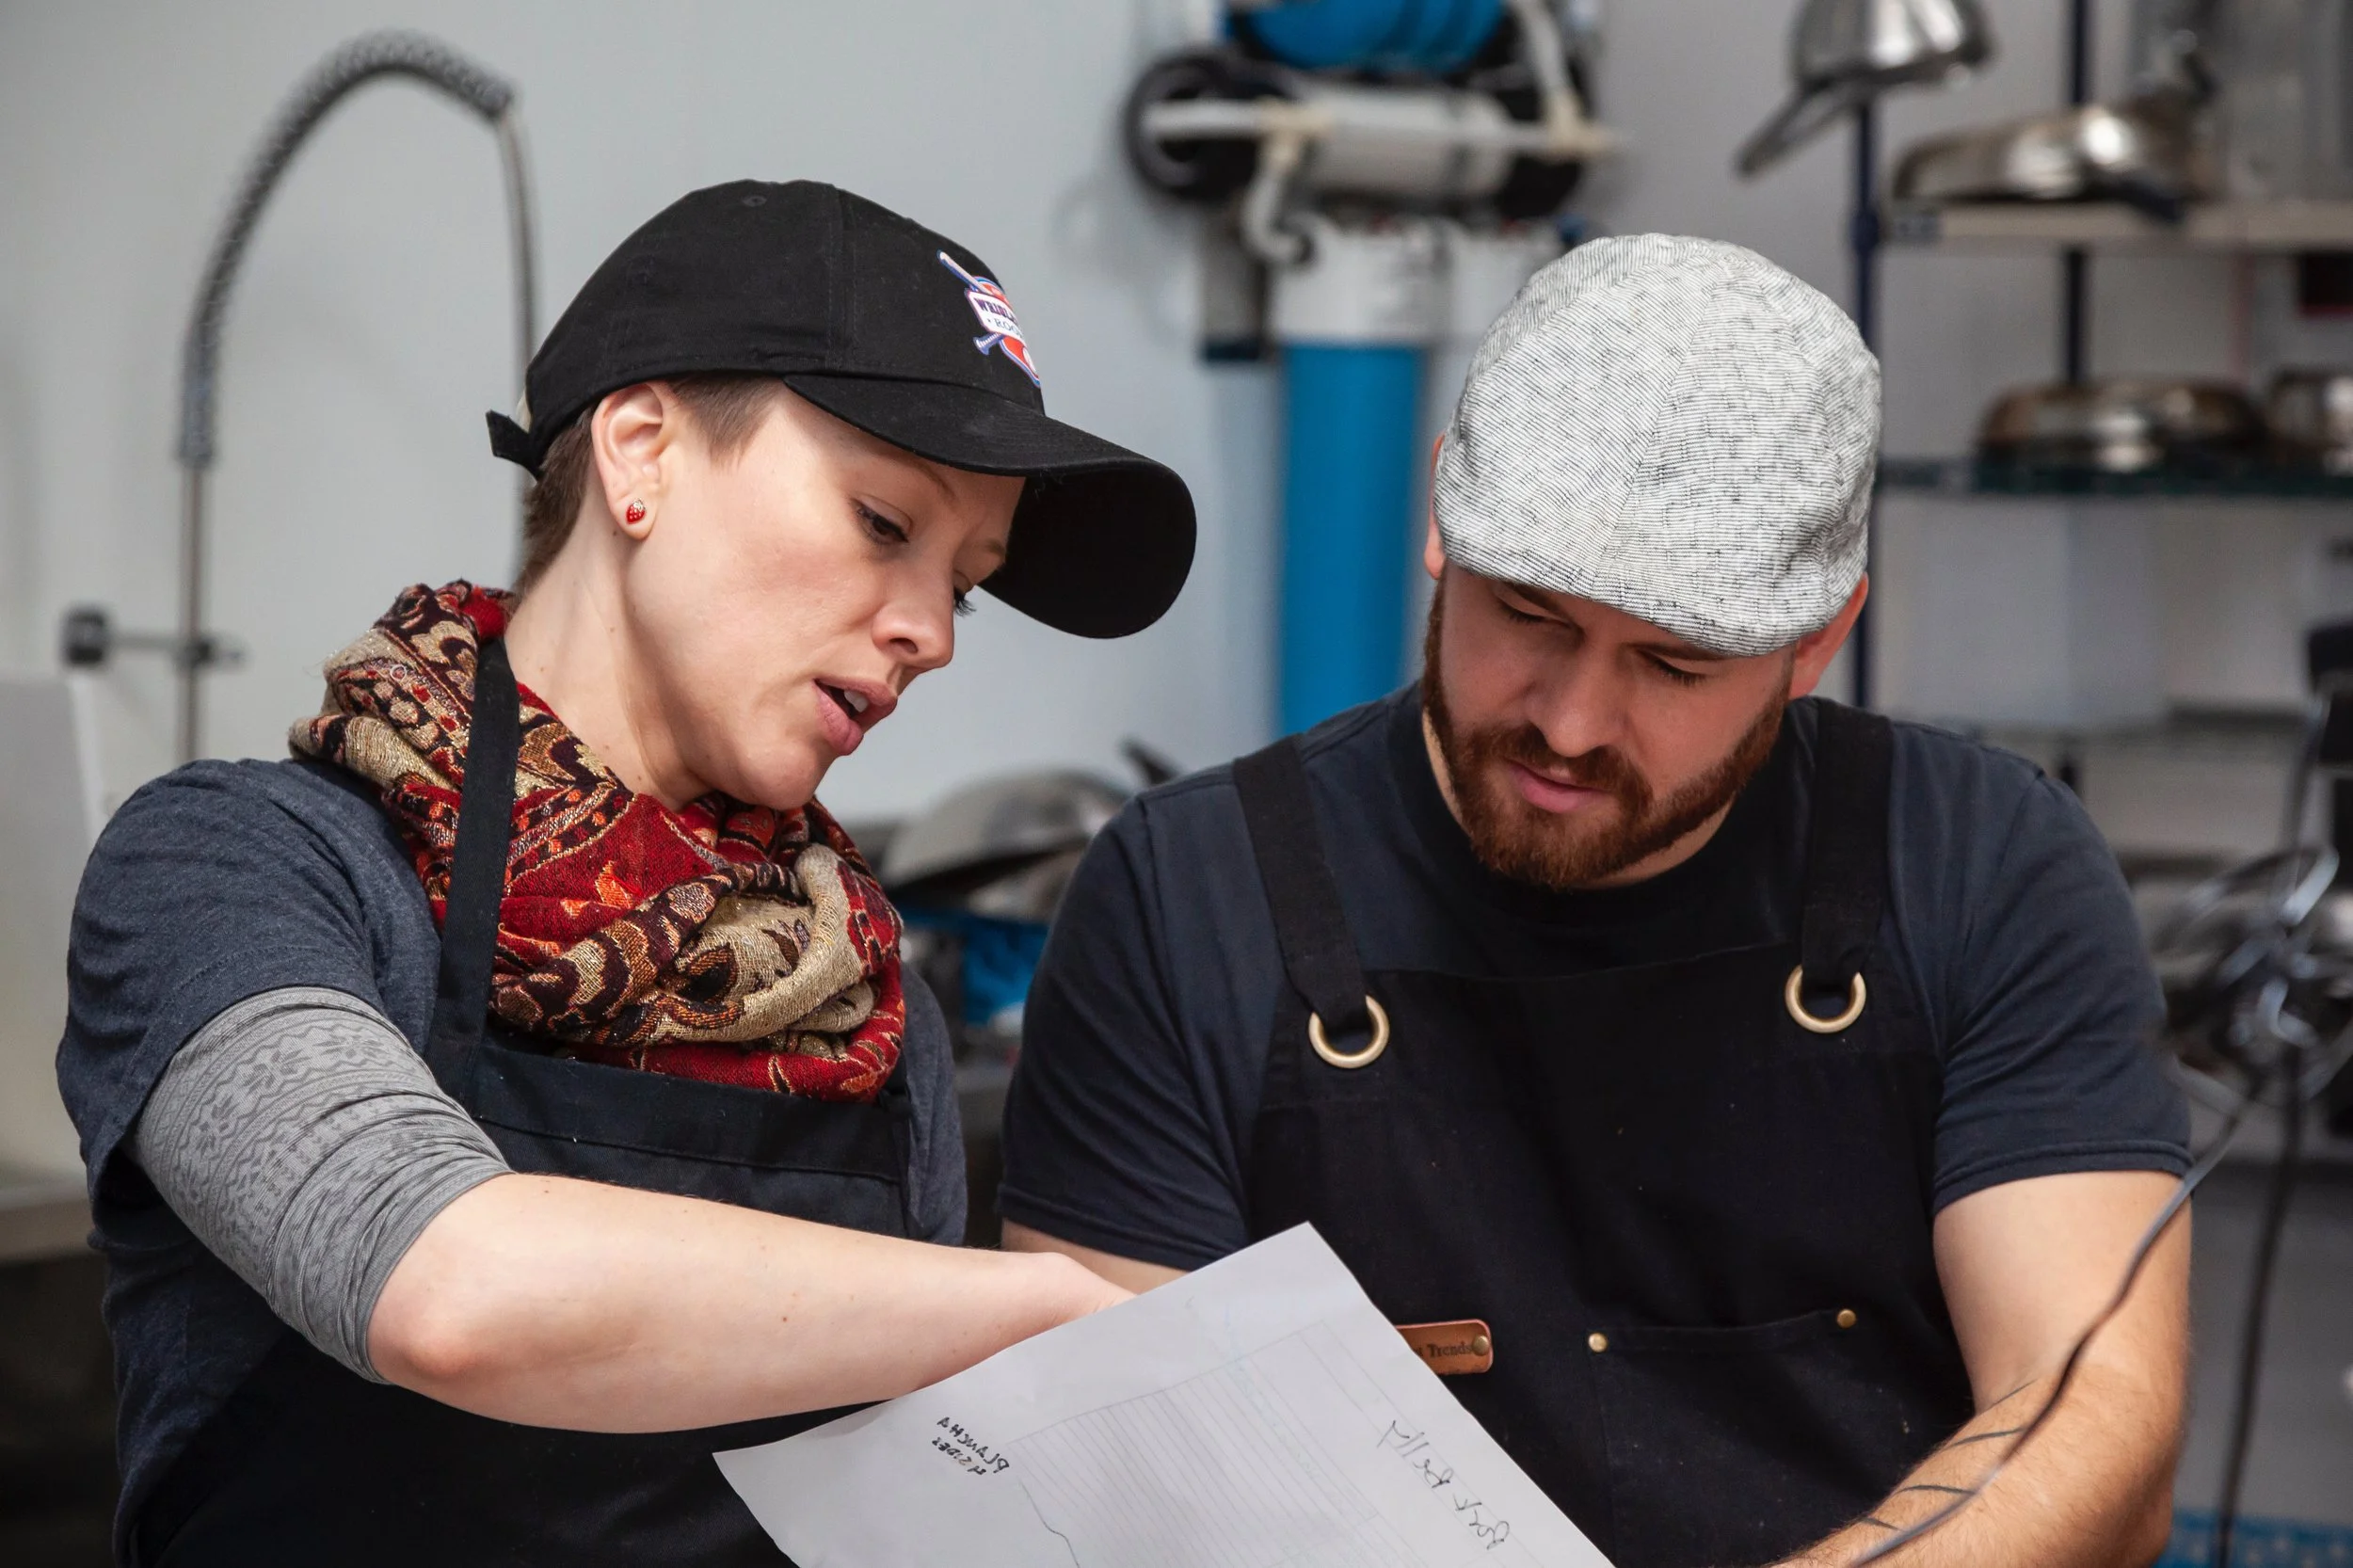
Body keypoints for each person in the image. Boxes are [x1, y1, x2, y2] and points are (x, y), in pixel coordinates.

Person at [999, 236, 2192, 1568]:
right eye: (1529, 615)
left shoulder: (1984, 863)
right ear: (1441, 513)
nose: (1570, 722)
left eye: (1673, 666)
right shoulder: (1186, 895)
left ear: (1819, 641)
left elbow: (2093, 1429)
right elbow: (1108, 1478)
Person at [56, 179, 1195, 1565]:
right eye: (887, 524)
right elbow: (438, 1283)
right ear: (641, 450)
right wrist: (1043, 1313)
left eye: (962, 582)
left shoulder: (862, 1014)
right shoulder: (242, 868)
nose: (930, 634)